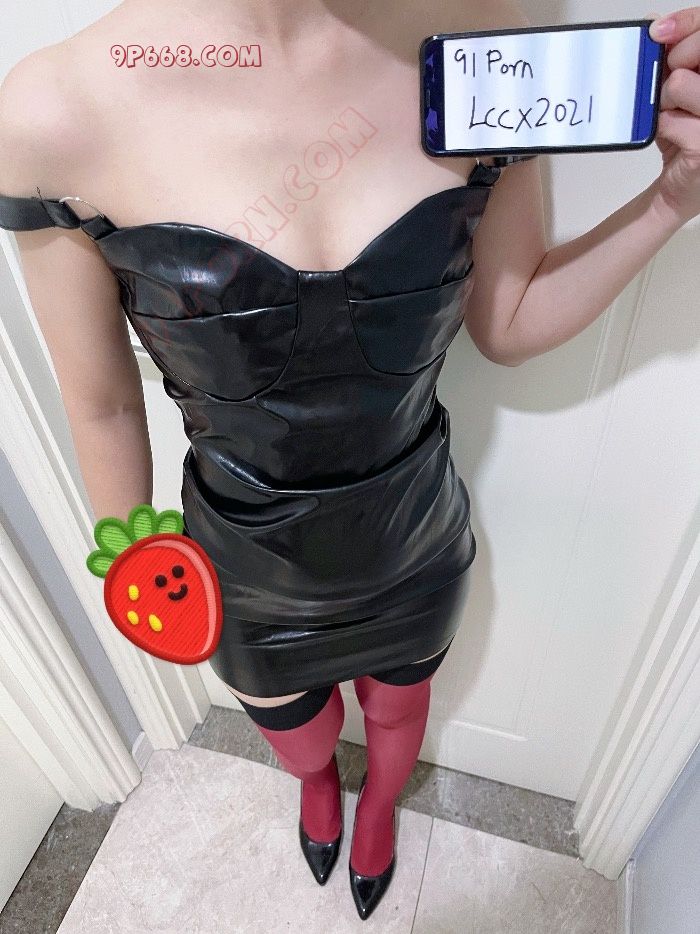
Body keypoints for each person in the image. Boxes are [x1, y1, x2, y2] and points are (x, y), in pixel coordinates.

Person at [0, 0, 697, 921]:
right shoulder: (55, 109)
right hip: (241, 567)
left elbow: (510, 318)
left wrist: (672, 200)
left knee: (402, 707)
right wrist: (134, 562)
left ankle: (378, 812)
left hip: (412, 539)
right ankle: (319, 788)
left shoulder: (490, 38)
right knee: (297, 732)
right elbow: (102, 401)